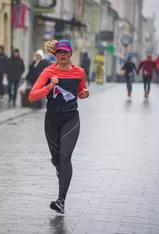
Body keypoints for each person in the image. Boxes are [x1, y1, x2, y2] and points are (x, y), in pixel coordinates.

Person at [28, 39, 89, 213]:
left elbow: (81, 92)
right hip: (52, 121)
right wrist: (50, 85)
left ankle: (61, 200)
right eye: (59, 52)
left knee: (65, 156)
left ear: (70, 54)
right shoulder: (48, 71)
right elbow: (32, 96)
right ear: (55, 55)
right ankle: (60, 170)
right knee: (57, 160)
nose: (62, 55)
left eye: (65, 52)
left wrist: (84, 93)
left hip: (71, 119)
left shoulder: (79, 72)